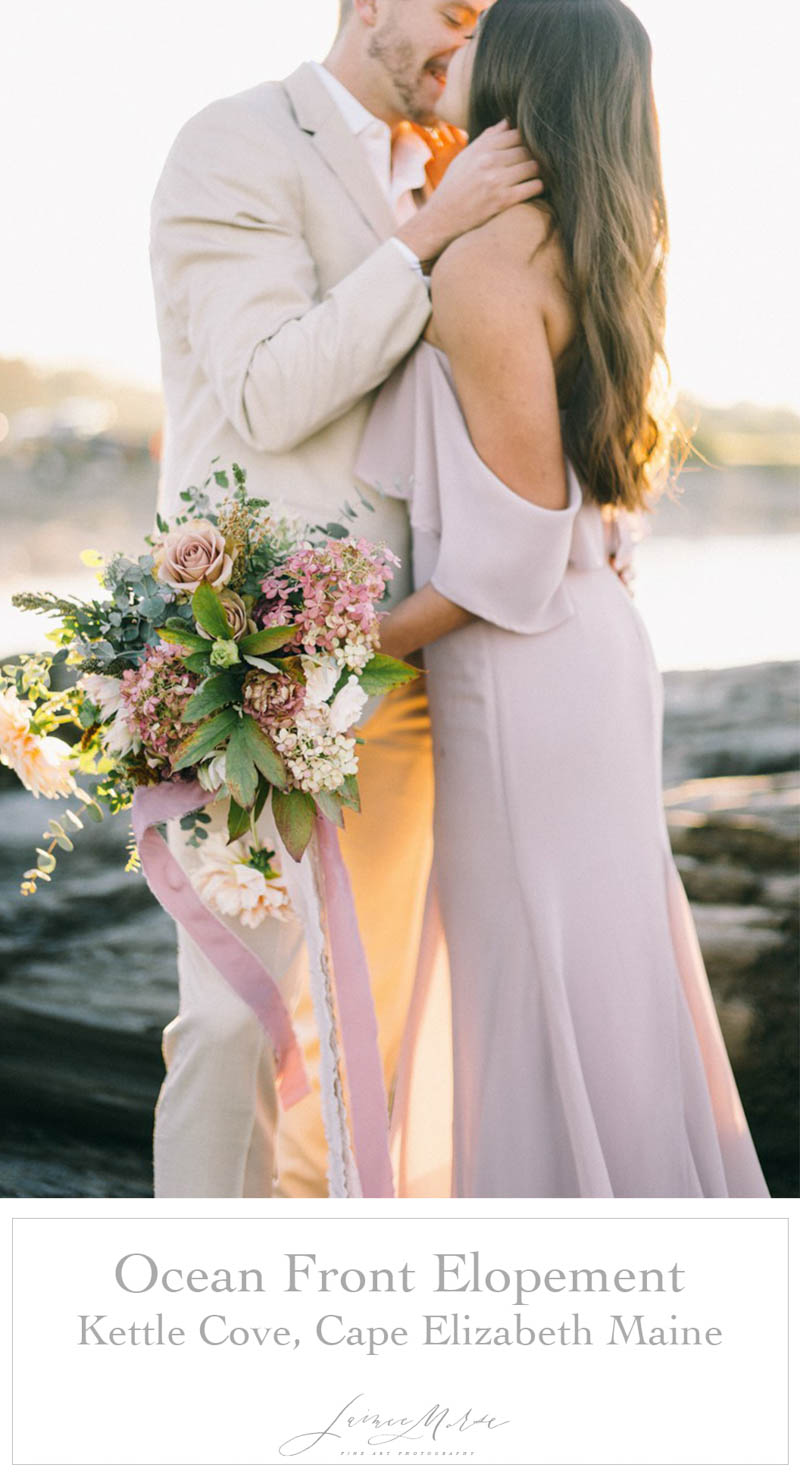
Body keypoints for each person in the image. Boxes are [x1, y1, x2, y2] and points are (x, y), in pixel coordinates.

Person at [358, 0, 771, 1196]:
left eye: (485, 26)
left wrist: (336, 654)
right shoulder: (578, 242)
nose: (462, 34)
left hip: (521, 666)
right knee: (592, 978)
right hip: (580, 650)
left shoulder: (489, 261)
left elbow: (511, 556)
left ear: (523, 67)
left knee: (537, 984)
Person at [148, 0, 543, 1197]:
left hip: (416, 663)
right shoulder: (235, 144)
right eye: (450, 11)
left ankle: (334, 1302)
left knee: (371, 1032)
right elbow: (269, 395)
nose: (461, 41)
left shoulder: (457, 158)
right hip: (248, 656)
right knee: (232, 1017)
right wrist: (431, 230)